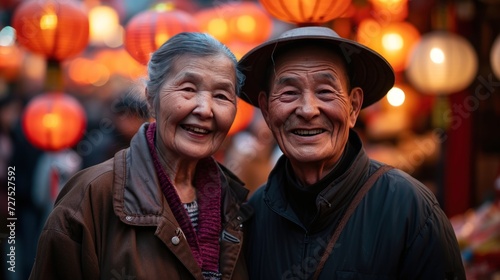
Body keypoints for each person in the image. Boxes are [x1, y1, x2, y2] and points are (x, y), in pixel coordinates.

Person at [238, 26, 466, 279]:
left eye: (325, 91)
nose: (307, 110)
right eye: (289, 93)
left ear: (353, 108)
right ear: (266, 111)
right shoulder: (255, 215)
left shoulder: (411, 210)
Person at [29, 32, 252, 280]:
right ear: (150, 97)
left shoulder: (236, 202)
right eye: (188, 89)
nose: (205, 109)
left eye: (221, 96)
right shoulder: (91, 195)